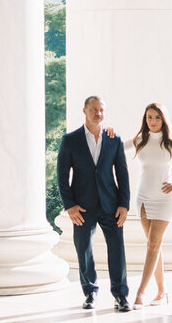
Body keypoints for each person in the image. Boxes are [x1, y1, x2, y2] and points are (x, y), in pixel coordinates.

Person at [56, 94, 132, 311]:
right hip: (82, 206)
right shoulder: (70, 141)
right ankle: (90, 293)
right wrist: (69, 205)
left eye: (101, 110)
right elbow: (62, 176)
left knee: (117, 249)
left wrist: (124, 204)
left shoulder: (114, 140)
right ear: (84, 111)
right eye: (93, 109)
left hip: (112, 205)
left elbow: (123, 175)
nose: (98, 113)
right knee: (84, 250)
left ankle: (121, 295)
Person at [130, 102, 172, 307]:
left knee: (153, 244)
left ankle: (140, 293)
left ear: (163, 119)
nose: (152, 121)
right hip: (143, 198)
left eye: (156, 117)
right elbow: (113, 145)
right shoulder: (140, 140)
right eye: (149, 117)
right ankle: (162, 292)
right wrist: (108, 133)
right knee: (153, 245)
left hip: (165, 199)